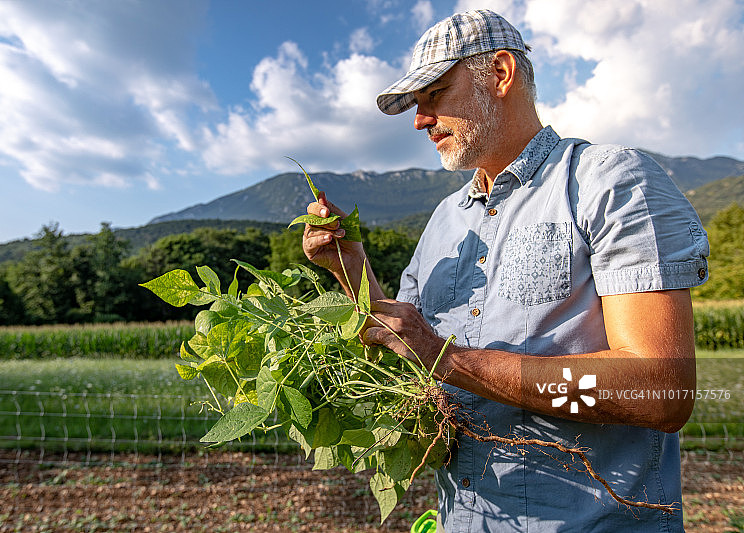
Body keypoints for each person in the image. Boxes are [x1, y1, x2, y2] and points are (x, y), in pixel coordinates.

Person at [302, 9, 709, 533]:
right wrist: (349, 268)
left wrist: (449, 359)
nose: (420, 121)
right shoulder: (444, 222)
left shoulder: (607, 182)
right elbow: (401, 346)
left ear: (499, 73)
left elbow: (660, 391)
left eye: (434, 95)